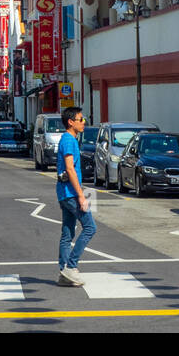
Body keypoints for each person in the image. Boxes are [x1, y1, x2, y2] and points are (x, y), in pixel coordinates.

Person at [56, 106, 97, 287]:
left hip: (65, 193)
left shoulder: (69, 139)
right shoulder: (69, 140)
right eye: (80, 119)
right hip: (71, 193)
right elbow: (70, 168)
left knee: (68, 233)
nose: (83, 122)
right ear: (71, 122)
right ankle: (70, 267)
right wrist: (81, 195)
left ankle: (64, 273)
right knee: (90, 227)